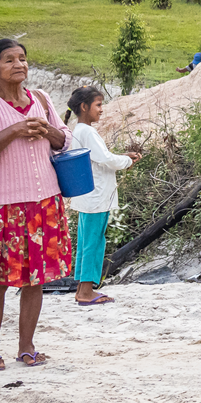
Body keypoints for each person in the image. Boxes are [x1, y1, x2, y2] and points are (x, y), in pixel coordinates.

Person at [0, 39, 73, 371]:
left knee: (36, 279)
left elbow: (66, 140)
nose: (19, 65)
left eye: (23, 59)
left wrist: (48, 130)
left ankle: (27, 347)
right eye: (9, 60)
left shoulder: (40, 98)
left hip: (45, 202)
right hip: (3, 207)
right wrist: (14, 130)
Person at [65, 86, 141, 306]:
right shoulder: (88, 132)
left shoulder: (79, 130)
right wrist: (127, 160)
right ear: (84, 107)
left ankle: (82, 288)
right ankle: (86, 291)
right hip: (96, 197)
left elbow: (100, 157)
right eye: (98, 105)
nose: (101, 109)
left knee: (86, 242)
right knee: (94, 243)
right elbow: (105, 159)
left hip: (87, 196)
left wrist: (122, 157)